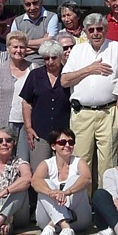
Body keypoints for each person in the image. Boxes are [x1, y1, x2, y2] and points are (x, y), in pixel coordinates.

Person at [62, 14, 118, 181]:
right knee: (81, 160)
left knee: (108, 161)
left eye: (99, 29)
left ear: (106, 30)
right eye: (91, 30)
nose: (95, 33)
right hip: (82, 113)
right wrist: (90, 69)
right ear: (86, 32)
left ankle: (105, 197)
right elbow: (64, 81)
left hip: (109, 112)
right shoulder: (78, 50)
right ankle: (83, 197)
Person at [32, 127, 92, 235]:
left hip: (78, 219)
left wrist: (66, 192)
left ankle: (53, 226)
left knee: (76, 179)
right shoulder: (47, 164)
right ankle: (65, 227)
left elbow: (87, 179)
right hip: (47, 218)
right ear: (53, 146)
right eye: (62, 142)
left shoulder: (79, 162)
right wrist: (51, 193)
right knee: (45, 184)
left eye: (71, 142)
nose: (67, 145)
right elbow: (35, 181)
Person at [20, 40, 71, 173]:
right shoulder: (35, 75)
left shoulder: (68, 75)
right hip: (40, 133)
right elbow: (26, 102)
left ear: (60, 57)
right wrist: (28, 128)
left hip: (63, 133)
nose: (50, 62)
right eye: (46, 58)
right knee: (39, 171)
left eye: (53, 58)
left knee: (62, 171)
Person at [0, 31, 32, 159]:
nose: (18, 50)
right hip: (5, 122)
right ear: (8, 48)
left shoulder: (33, 68)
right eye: (15, 47)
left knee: (23, 159)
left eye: (22, 47)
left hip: (26, 122)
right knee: (5, 158)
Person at [9, 0, 58, 64]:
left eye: (35, 3)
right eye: (28, 4)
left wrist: (23, 43)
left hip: (45, 63)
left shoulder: (51, 17)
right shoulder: (17, 21)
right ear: (24, 6)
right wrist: (43, 42)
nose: (32, 7)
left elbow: (51, 43)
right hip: (23, 64)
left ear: (41, 2)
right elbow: (13, 46)